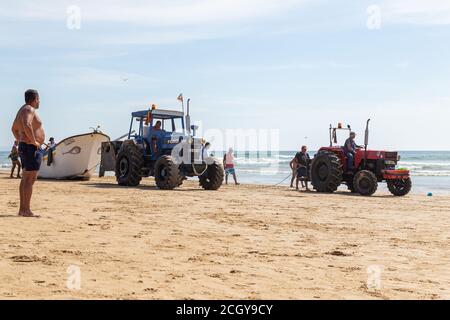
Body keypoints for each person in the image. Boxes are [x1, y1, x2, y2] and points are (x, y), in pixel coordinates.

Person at [11, 89, 45, 218]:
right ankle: (26, 210)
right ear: (35, 98)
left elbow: (13, 128)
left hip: (27, 146)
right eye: (39, 98)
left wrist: (21, 139)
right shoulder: (29, 109)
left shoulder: (22, 109)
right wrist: (34, 141)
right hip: (31, 148)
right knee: (30, 179)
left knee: (26, 179)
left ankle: (23, 209)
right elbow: (26, 124)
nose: (39, 101)